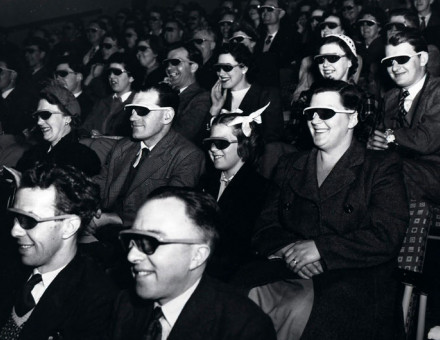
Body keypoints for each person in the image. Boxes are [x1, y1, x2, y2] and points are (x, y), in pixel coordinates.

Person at [251, 80, 408, 339]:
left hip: (355, 279)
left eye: (325, 113)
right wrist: (293, 252)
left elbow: (386, 235)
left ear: (352, 119)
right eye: (310, 113)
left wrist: (320, 249)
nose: (315, 120)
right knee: (235, 298)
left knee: (306, 315)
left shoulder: (380, 167)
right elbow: (265, 227)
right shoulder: (290, 164)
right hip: (288, 269)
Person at [109, 187, 277, 340]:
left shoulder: (244, 329)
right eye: (132, 240)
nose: (132, 256)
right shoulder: (125, 304)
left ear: (197, 255)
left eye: (149, 242)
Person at [0, 162, 117, 340]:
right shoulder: (8, 265)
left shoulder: (97, 298)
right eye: (16, 217)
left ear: (69, 227)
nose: (15, 230)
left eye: (28, 220)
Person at [93, 83, 205, 229]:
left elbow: (169, 211)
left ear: (167, 116)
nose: (132, 117)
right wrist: (89, 207)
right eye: (132, 110)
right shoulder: (123, 146)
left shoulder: (188, 157)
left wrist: (114, 219)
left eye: (142, 111)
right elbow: (100, 183)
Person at [368, 28, 440, 204]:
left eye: (402, 59)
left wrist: (389, 136)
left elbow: (426, 140)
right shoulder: (391, 97)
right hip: (399, 169)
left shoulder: (438, 92)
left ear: (422, 59)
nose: (394, 67)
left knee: (385, 169)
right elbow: (380, 135)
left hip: (434, 173)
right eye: (389, 61)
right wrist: (373, 142)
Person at [201, 107, 270, 281]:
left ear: (243, 144)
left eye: (222, 143)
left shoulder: (259, 189)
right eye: (211, 143)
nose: (214, 149)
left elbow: (238, 247)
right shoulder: (206, 181)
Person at [17, 82, 101, 177]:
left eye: (45, 115)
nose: (39, 122)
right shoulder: (34, 152)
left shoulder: (82, 157)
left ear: (67, 118)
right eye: (37, 116)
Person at [210, 43, 284, 144]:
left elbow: (273, 140)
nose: (221, 73)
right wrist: (215, 109)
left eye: (227, 68)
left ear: (244, 68)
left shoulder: (266, 95)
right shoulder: (219, 98)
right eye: (218, 68)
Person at [164, 43, 211, 145]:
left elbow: (182, 135)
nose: (169, 68)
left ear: (193, 67)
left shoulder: (202, 98)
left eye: (175, 62)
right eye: (167, 64)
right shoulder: (166, 95)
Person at [81, 52, 136, 137]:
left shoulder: (137, 103)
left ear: (131, 77)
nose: (112, 76)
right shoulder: (101, 102)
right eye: (109, 72)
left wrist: (105, 138)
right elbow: (85, 128)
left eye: (117, 72)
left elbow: (132, 138)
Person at [54, 54, 94, 123]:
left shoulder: (89, 106)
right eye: (56, 75)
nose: (58, 78)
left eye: (63, 74)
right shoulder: (52, 101)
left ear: (79, 77)